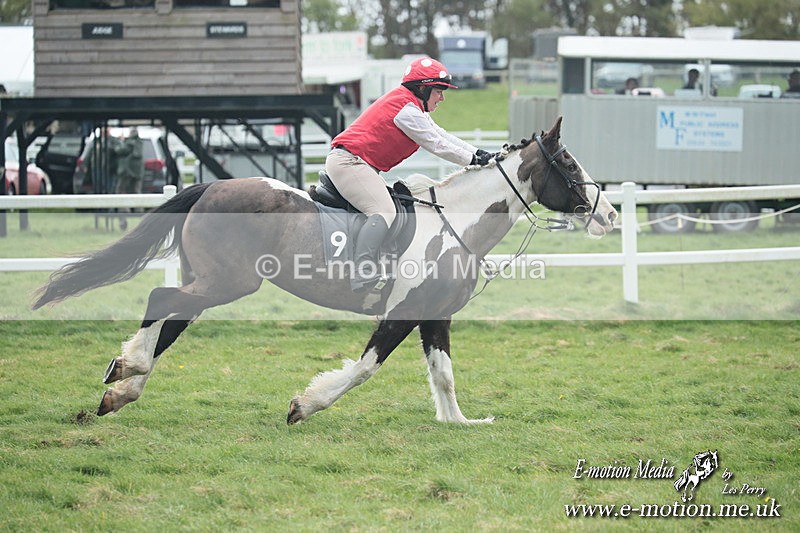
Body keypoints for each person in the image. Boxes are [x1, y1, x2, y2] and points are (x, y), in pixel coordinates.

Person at [325, 56, 496, 292]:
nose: (442, 97)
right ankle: (362, 272)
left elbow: (442, 135)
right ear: (423, 89)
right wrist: (475, 160)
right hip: (350, 163)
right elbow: (437, 145)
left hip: (356, 164)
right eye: (439, 91)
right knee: (384, 211)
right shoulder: (406, 110)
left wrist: (479, 153)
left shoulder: (411, 106)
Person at [114, 127, 144, 230]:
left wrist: (121, 141)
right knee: (136, 192)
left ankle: (125, 210)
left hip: (126, 173)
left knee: (120, 191)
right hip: (137, 174)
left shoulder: (129, 143)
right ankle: (139, 211)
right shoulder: (139, 143)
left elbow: (119, 150)